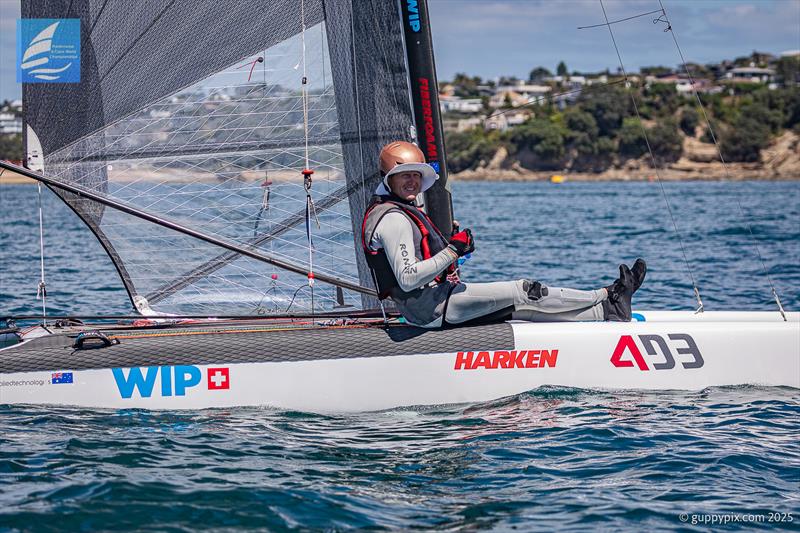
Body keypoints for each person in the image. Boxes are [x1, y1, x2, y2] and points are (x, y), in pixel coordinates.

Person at [361, 141, 646, 328]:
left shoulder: (400, 208)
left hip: (436, 300)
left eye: (416, 176)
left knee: (518, 309)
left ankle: (607, 312)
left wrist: (451, 247)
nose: (412, 181)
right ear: (390, 179)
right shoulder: (394, 219)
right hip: (430, 310)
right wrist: (452, 250)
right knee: (524, 291)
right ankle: (607, 294)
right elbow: (409, 279)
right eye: (405, 175)